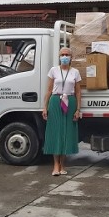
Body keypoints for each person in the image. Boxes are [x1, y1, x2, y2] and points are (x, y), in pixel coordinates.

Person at [42, 47, 82, 176]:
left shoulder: (75, 72)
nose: (64, 56)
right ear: (59, 56)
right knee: (56, 132)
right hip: (55, 101)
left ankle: (63, 165)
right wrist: (45, 107)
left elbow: (78, 92)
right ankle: (55, 165)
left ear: (71, 57)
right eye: (62, 54)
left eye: (67, 55)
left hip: (69, 102)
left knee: (66, 132)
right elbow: (48, 90)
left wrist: (78, 109)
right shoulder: (53, 70)